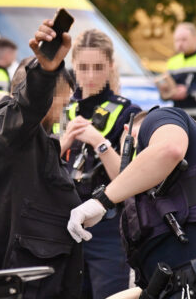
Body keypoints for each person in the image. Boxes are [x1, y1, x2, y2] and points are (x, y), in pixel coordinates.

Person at [0, 19, 83, 299]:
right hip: (18, 285)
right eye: (63, 102)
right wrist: (46, 69)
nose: (63, 113)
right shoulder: (14, 129)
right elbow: (31, 102)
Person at [67, 107, 196, 298]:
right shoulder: (150, 191)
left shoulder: (159, 117)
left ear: (127, 131)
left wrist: (101, 201)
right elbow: (169, 279)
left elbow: (169, 150)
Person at [59, 29, 141, 298]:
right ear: (74, 68)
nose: (91, 76)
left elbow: (128, 177)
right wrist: (64, 142)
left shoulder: (127, 112)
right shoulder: (63, 109)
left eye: (98, 67)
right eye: (83, 67)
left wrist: (99, 142)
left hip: (107, 226)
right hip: (66, 223)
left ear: (110, 67)